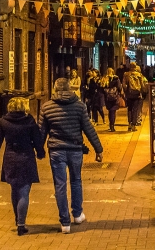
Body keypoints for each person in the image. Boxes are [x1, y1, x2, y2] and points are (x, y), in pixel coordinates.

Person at [40, 77, 103, 234]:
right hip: (75, 150)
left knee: (60, 185)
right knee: (76, 181)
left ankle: (65, 223)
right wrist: (98, 149)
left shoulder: (46, 107)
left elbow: (41, 132)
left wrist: (39, 150)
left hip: (56, 151)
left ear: (54, 88)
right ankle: (77, 214)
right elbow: (88, 128)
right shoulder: (79, 106)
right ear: (70, 88)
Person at [0, 97, 45, 236]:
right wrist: (40, 153)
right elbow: (37, 140)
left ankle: (18, 220)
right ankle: (21, 224)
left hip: (10, 158)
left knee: (14, 189)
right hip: (26, 157)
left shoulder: (3, 121)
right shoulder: (29, 121)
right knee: (24, 191)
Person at [123, 63, 148, 131]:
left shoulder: (126, 74)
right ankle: (133, 125)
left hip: (129, 94)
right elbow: (142, 85)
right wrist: (143, 92)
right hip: (137, 94)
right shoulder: (139, 75)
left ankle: (129, 124)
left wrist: (126, 92)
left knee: (129, 109)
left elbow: (124, 85)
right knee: (135, 110)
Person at [99, 67, 122, 132]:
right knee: (113, 111)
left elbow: (101, 88)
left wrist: (106, 93)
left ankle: (110, 124)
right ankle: (112, 126)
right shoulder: (116, 79)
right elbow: (119, 87)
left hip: (107, 98)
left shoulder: (104, 78)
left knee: (110, 111)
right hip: (115, 97)